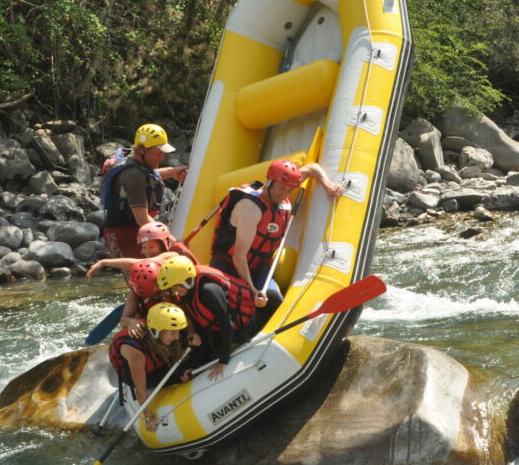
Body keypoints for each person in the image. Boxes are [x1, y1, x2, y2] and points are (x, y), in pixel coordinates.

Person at [210, 159, 343, 327]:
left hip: (258, 267)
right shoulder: (250, 209)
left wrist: (328, 185)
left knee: (273, 300)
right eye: (282, 188)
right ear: (270, 181)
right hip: (228, 266)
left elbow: (312, 168)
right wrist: (253, 290)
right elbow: (239, 256)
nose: (285, 194)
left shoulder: (286, 181)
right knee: (232, 312)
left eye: (290, 190)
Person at [156, 255, 256, 381]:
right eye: (172, 288)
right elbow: (202, 329)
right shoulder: (188, 294)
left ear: (187, 280)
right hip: (217, 334)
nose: (174, 291)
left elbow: (227, 325)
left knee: (212, 367)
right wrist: (195, 364)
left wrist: (223, 361)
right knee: (199, 359)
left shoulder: (208, 291)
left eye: (176, 286)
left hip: (241, 330)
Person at [100, 123, 187, 258]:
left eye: (163, 153)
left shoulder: (134, 159)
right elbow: (142, 219)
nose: (162, 158)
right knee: (143, 274)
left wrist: (172, 172)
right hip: (123, 235)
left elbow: (148, 175)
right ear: (141, 149)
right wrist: (171, 239)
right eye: (158, 153)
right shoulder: (133, 175)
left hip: (142, 231)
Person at [108, 302, 192, 430]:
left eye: (177, 332)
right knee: (177, 374)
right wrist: (148, 418)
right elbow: (140, 388)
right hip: (141, 374)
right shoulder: (136, 353)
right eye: (173, 333)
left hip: (154, 350)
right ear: (157, 331)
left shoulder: (156, 327)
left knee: (187, 347)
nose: (176, 337)